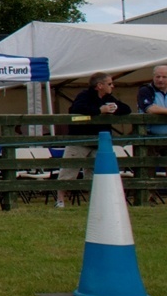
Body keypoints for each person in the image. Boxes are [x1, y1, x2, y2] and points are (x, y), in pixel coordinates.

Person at [56, 71, 130, 207]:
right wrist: (99, 110)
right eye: (109, 83)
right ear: (100, 85)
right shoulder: (84, 95)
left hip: (99, 141)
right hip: (80, 140)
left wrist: (115, 108)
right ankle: (60, 200)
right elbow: (76, 109)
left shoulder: (109, 98)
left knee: (95, 172)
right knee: (69, 170)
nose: (112, 86)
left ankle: (95, 202)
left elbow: (127, 109)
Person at [136, 64, 167, 202]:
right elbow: (151, 109)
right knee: (147, 168)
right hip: (148, 136)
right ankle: (148, 200)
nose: (160, 79)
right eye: (157, 76)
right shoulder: (145, 90)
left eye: (164, 76)